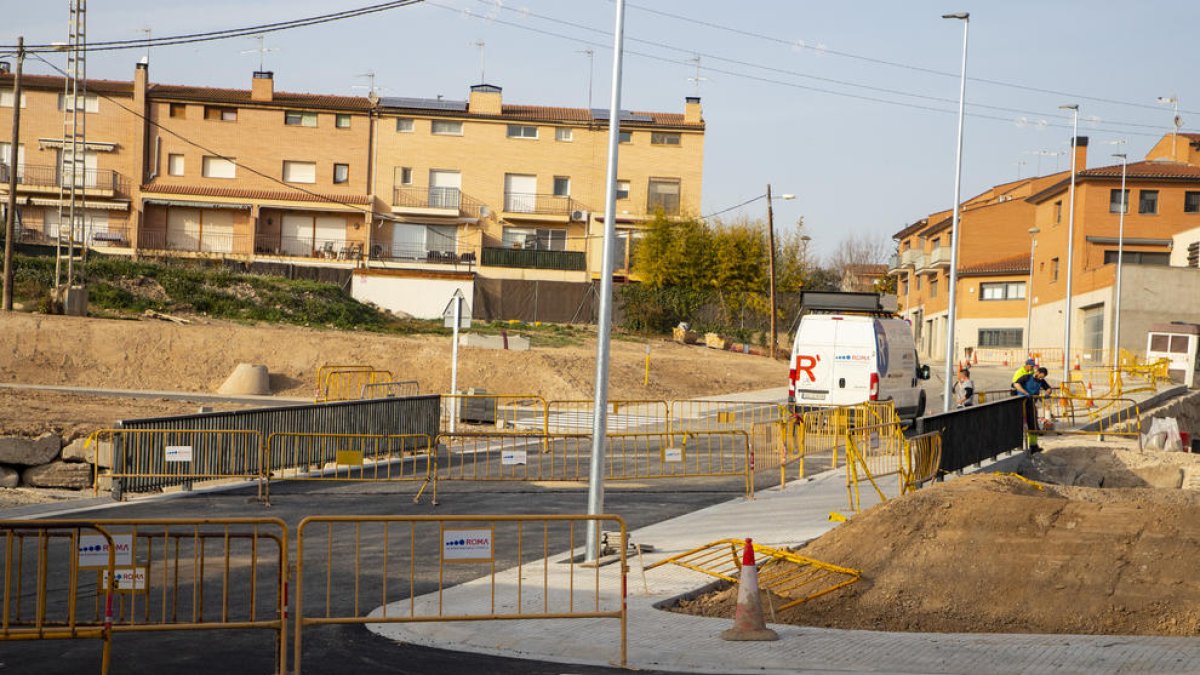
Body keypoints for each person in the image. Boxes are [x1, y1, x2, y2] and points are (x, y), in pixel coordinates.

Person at [1015, 367, 1053, 452]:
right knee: (1018, 424)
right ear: (1037, 372)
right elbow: (1016, 384)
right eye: (1040, 376)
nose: (1040, 379)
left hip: (1031, 404)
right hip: (1021, 403)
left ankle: (1033, 446)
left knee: (1033, 424)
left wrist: (1047, 393)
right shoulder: (1026, 377)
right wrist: (1025, 393)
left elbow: (1049, 388)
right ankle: (1017, 446)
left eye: (1042, 377)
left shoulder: (1041, 381)